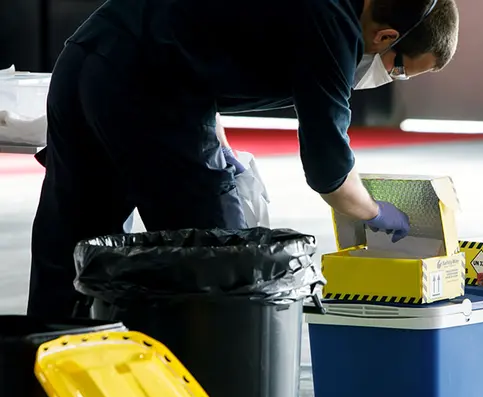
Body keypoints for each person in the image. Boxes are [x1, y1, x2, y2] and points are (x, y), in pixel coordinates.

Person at [27, 0, 460, 318]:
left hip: (87, 57)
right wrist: (376, 212)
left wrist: (214, 137)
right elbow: (329, 171)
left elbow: (205, 33)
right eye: (400, 69)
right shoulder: (336, 22)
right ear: (386, 36)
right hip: (149, 88)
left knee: (72, 252)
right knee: (225, 271)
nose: (391, 77)